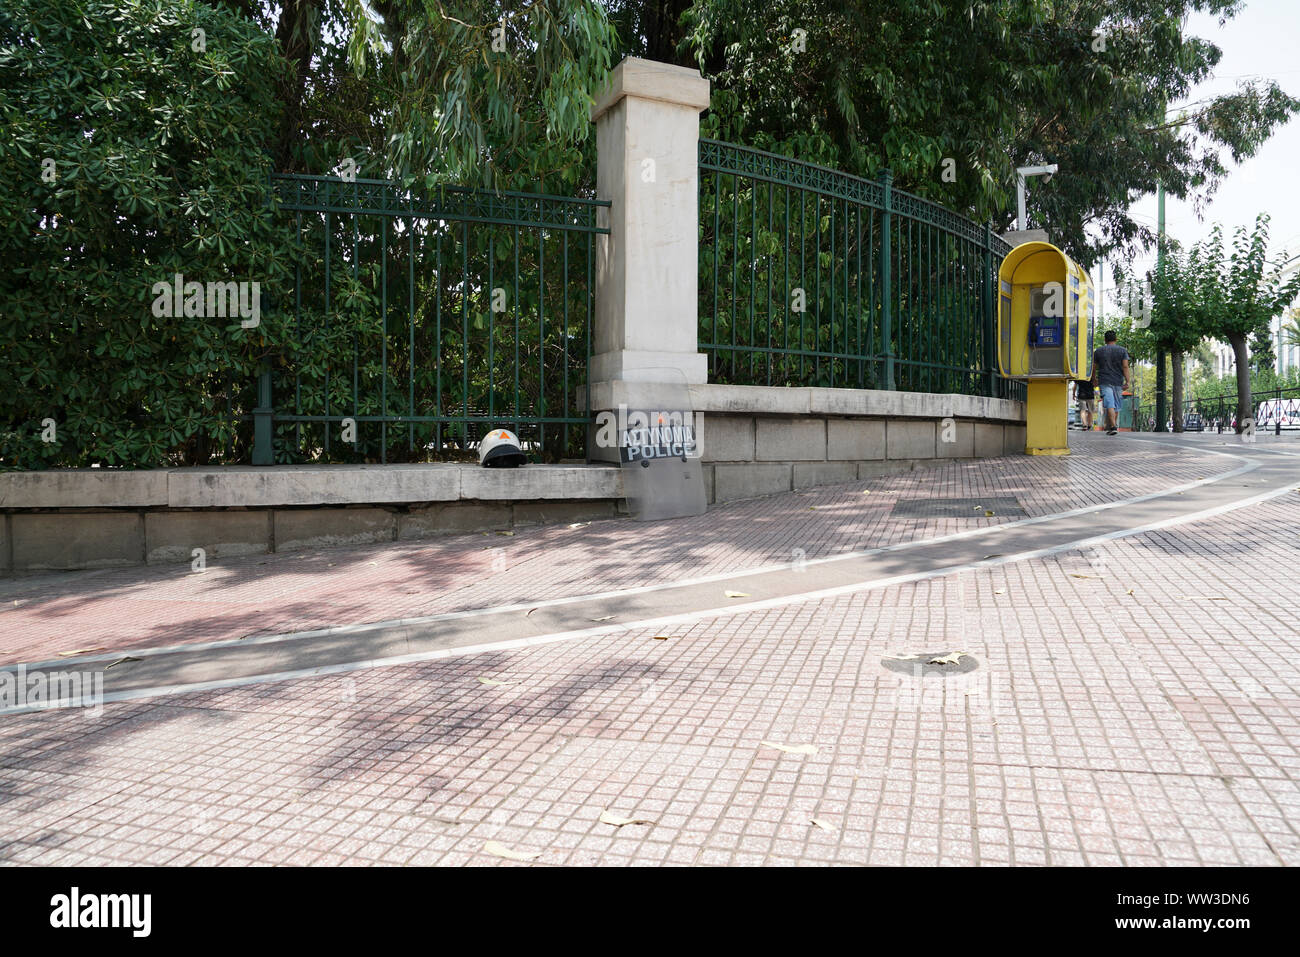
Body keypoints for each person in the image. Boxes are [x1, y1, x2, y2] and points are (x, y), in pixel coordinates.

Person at [1091, 330, 1132, 436]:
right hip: (1118, 381)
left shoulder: (1098, 351)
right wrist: (1128, 381)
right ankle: (1113, 426)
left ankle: (1113, 427)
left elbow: (1094, 368)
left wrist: (1094, 379)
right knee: (1116, 405)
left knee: (1110, 404)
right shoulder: (1122, 351)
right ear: (1116, 339)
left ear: (1105, 340)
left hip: (1104, 381)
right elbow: (1125, 366)